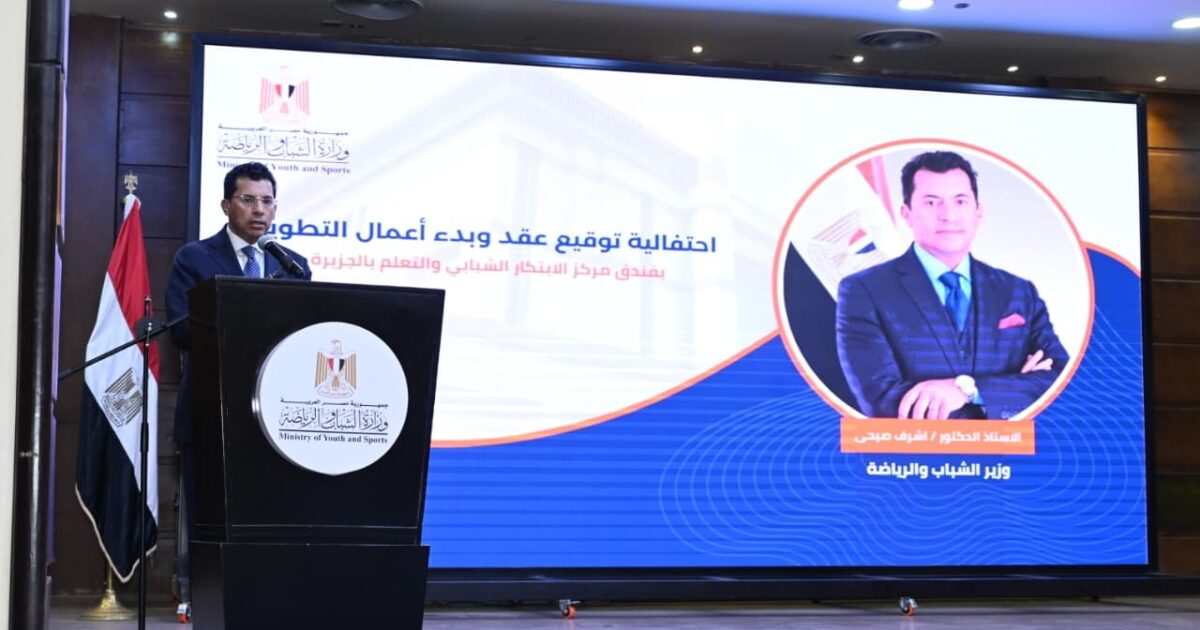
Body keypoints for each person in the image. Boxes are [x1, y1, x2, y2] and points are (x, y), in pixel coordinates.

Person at [164, 161, 312, 618]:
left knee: (270, 515)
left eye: (267, 201)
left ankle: (269, 600)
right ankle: (202, 601)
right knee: (208, 515)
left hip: (275, 418)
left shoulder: (292, 265)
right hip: (210, 412)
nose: (259, 210)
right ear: (226, 205)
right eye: (248, 200)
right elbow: (182, 331)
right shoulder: (195, 258)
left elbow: (305, 337)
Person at [835, 150, 1068, 420]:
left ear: (978, 211)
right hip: (916, 449)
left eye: (960, 201)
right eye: (931, 202)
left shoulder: (1018, 292)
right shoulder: (865, 291)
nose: (948, 215)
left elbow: (1062, 383)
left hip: (1012, 448)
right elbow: (882, 400)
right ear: (906, 214)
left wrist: (969, 390)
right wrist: (1013, 389)